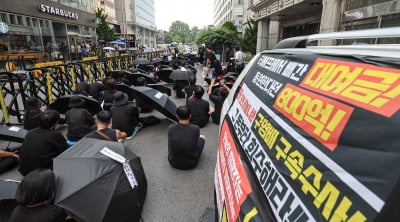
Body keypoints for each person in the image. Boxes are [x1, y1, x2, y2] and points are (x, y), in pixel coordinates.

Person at [18, 110, 69, 176]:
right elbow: (66, 151)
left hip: (24, 171)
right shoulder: (55, 135)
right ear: (56, 123)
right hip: (42, 174)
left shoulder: (31, 132)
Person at [168, 105, 206, 170]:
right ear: (190, 116)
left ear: (177, 116)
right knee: (202, 137)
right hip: (191, 163)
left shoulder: (170, 127)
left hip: (173, 162)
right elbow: (195, 141)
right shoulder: (195, 128)